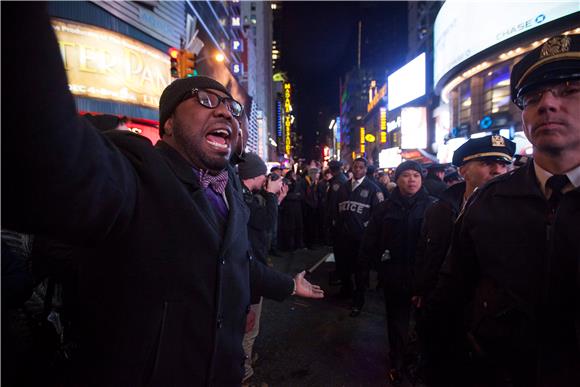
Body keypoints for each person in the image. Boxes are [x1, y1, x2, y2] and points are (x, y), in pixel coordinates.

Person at [3, 4, 324, 385]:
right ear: (168, 123)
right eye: (206, 100)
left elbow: (236, 261)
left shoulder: (230, 188)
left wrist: (288, 284)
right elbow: (50, 160)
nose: (225, 112)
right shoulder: (135, 173)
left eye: (230, 106)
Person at [429, 34, 580, 387]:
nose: (547, 105)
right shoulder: (489, 201)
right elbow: (450, 297)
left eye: (570, 89)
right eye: (533, 96)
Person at [412, 135, 514, 385]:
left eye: (503, 163)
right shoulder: (440, 210)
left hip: (490, 327)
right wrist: (421, 291)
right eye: (486, 163)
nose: (498, 170)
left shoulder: (519, 215)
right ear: (463, 170)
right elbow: (427, 255)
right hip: (441, 313)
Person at [355, 161, 435, 384]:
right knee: (397, 322)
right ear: (397, 179)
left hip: (424, 276)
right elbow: (370, 241)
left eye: (416, 176)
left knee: (424, 322)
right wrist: (369, 268)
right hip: (394, 274)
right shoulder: (384, 209)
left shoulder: (433, 206)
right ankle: (398, 363)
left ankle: (419, 361)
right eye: (406, 176)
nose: (411, 180)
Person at [238, 152, 286, 383]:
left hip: (249, 265)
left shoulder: (242, 194)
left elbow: (262, 224)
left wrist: (273, 200)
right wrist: (270, 195)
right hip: (249, 270)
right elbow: (266, 224)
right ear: (256, 175)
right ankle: (243, 372)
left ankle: (243, 362)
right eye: (264, 177)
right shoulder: (244, 199)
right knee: (248, 327)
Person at [334, 157, 384, 300]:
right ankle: (346, 292)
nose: (357, 170)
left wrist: (367, 230)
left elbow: (378, 215)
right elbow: (335, 209)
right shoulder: (344, 187)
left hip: (361, 238)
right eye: (355, 167)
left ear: (365, 169)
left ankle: (358, 300)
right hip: (343, 237)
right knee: (344, 267)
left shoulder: (373, 189)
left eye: (361, 167)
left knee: (360, 270)